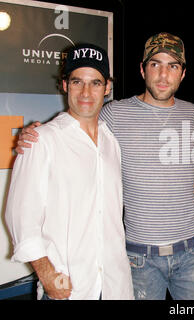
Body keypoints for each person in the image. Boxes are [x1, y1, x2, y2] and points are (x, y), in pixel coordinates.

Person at [14, 33, 194, 300]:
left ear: (183, 74)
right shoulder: (113, 115)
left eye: (173, 66)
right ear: (142, 69)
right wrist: (29, 135)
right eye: (155, 64)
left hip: (192, 254)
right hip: (139, 259)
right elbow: (75, 123)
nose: (163, 75)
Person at [5, 43, 134, 300]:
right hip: (69, 289)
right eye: (77, 82)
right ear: (65, 85)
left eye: (95, 83)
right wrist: (48, 275)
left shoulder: (112, 142)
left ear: (107, 87)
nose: (86, 92)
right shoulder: (41, 141)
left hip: (115, 287)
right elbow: (20, 218)